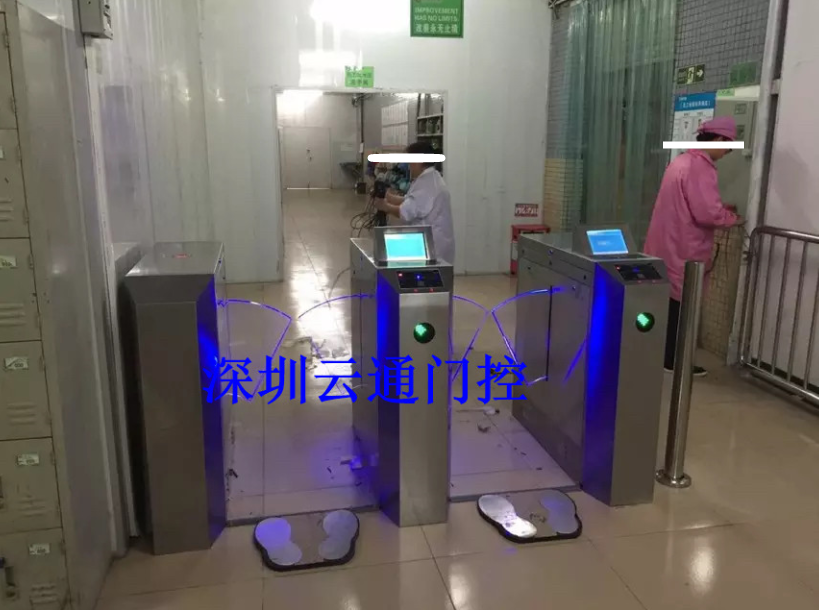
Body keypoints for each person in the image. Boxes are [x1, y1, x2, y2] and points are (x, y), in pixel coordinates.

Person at [644, 116, 743, 377]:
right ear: (719, 139)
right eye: (728, 146)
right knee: (683, 305)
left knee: (669, 303)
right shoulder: (701, 167)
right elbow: (707, 213)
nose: (726, 153)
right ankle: (674, 360)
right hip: (685, 248)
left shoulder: (681, 161)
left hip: (666, 244)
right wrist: (731, 219)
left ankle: (664, 355)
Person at [373, 141, 455, 265]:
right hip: (432, 242)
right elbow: (411, 200)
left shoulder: (427, 184)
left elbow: (405, 212)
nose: (408, 166)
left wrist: (385, 207)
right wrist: (389, 197)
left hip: (433, 246)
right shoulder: (430, 177)